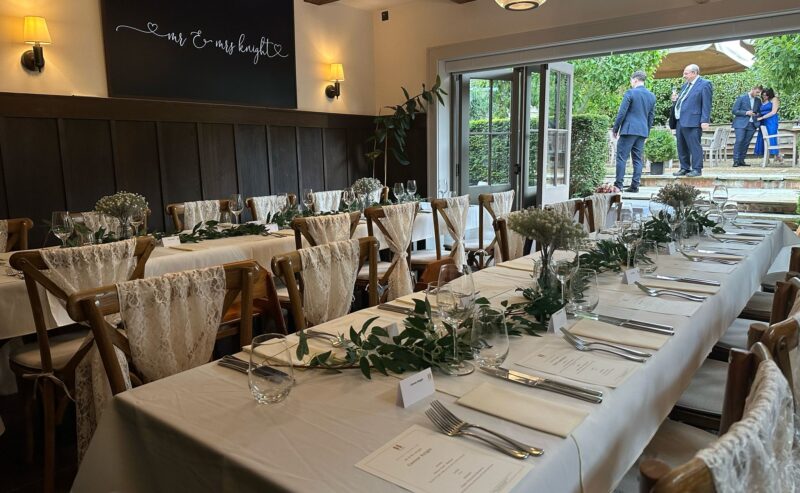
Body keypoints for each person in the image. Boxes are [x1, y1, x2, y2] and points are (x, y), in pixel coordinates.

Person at [612, 70, 656, 193]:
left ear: (635, 80)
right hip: (642, 131)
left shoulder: (630, 93)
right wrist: (647, 131)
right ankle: (635, 185)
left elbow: (622, 112)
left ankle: (618, 185)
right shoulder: (651, 96)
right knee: (637, 159)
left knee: (621, 158)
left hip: (629, 130)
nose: (631, 83)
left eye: (631, 80)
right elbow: (651, 116)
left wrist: (615, 129)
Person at [671, 64, 713, 177]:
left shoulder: (705, 84)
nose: (683, 75)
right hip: (680, 120)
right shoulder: (685, 86)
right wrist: (675, 100)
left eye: (686, 73)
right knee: (681, 145)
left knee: (694, 145)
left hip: (693, 121)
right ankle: (684, 167)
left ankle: (697, 169)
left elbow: (706, 104)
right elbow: (683, 101)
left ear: (694, 73)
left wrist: (705, 120)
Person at [730, 85, 762, 167]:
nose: (758, 94)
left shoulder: (758, 100)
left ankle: (741, 160)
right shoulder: (741, 98)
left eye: (759, 93)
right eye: (757, 92)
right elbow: (734, 111)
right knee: (739, 141)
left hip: (752, 124)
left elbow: (759, 112)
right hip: (740, 123)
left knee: (746, 143)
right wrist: (746, 113)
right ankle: (736, 161)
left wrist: (757, 114)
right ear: (752, 89)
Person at [754, 87, 782, 163]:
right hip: (762, 122)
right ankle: (767, 157)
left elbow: (773, 112)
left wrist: (762, 117)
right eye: (763, 95)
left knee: (771, 136)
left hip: (771, 121)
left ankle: (777, 155)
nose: (764, 96)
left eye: (766, 95)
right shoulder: (762, 101)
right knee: (763, 137)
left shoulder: (774, 99)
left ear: (770, 95)